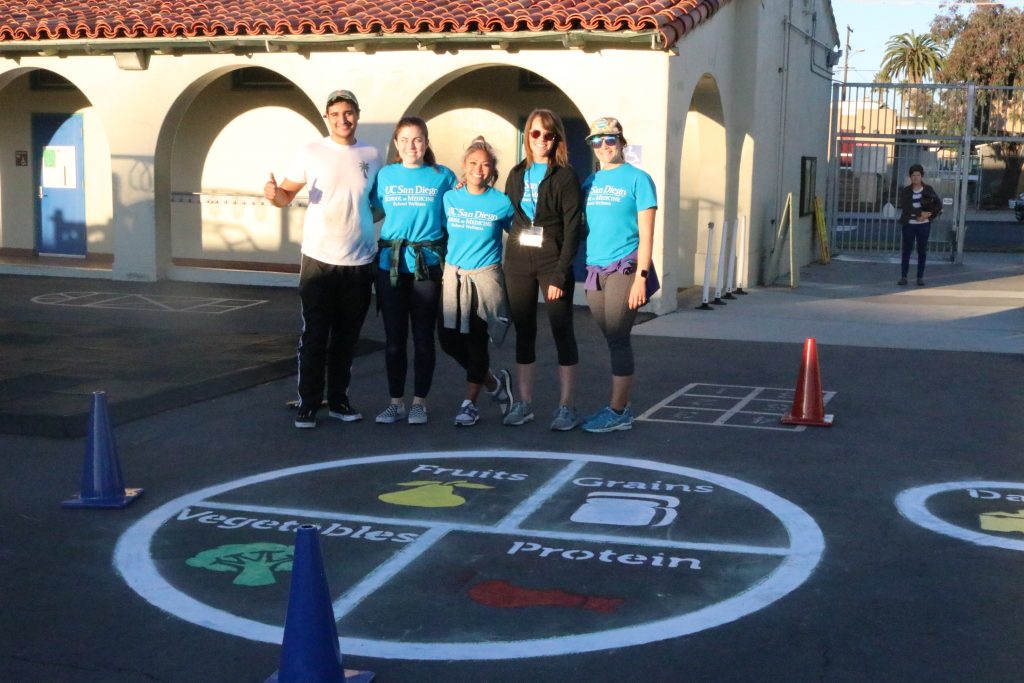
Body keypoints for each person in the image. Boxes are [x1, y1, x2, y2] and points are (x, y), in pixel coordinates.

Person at [264, 89, 381, 429]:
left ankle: (339, 400)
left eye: (349, 113)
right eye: (336, 114)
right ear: (326, 118)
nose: (343, 119)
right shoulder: (310, 152)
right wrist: (274, 195)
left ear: (357, 114)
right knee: (315, 335)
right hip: (318, 260)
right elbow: (285, 196)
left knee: (347, 338)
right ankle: (308, 402)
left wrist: (357, 218)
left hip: (359, 262)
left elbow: (377, 204)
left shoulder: (372, 154)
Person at [372, 116, 457, 425]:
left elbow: (456, 217)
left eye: (418, 139)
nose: (411, 146)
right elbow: (370, 211)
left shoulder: (443, 176)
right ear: (396, 144)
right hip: (390, 266)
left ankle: (420, 401)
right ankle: (396, 402)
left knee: (423, 338)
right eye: (405, 140)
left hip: (427, 267)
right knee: (394, 339)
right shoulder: (385, 176)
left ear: (427, 142)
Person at [502, 109, 583, 430]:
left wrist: (562, 273)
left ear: (556, 139)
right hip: (519, 261)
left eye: (548, 135)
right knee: (524, 332)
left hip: (553, 262)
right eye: (535, 134)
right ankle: (524, 403)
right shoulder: (516, 173)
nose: (541, 141)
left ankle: (566, 406)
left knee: (562, 330)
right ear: (527, 137)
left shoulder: (565, 175)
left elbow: (573, 226)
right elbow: (505, 211)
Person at [578, 117, 658, 433]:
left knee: (618, 336)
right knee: (610, 335)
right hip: (595, 270)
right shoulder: (590, 182)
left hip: (626, 266)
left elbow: (648, 233)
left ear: (621, 143)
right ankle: (620, 404)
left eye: (609, 140)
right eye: (596, 142)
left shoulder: (639, 179)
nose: (603, 147)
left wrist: (641, 276)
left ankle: (618, 410)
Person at [438, 136, 516, 426]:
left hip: (486, 279)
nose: (478, 170)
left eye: (485, 165)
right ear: (464, 166)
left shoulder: (501, 202)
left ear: (492, 170)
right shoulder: (450, 197)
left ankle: (469, 403)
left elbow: (520, 234)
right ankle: (494, 384)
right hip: (453, 278)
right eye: (473, 163)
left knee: (477, 342)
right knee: (448, 340)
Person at [897, 164, 942, 286]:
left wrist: (928, 215)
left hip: (924, 225)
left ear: (922, 176)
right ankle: (904, 276)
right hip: (909, 224)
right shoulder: (906, 191)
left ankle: (920, 277)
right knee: (907, 250)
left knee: (922, 250)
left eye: (918, 175)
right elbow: (906, 206)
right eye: (913, 175)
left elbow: (939, 204)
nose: (916, 177)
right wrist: (920, 213)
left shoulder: (928, 189)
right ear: (910, 177)